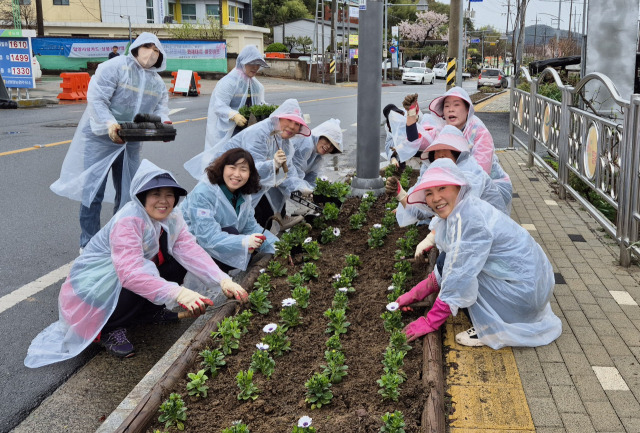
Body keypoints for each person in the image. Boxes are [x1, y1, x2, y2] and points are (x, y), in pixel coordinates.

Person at [25, 160, 248, 367]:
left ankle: (150, 313)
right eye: (156, 194)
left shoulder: (172, 216)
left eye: (169, 195)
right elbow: (130, 273)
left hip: (123, 273)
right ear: (141, 197)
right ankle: (108, 329)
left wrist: (223, 280)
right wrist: (178, 293)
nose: (164, 201)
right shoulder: (129, 219)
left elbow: (189, 249)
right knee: (134, 282)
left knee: (176, 264)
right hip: (95, 285)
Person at [394, 159, 562, 349]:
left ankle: (490, 328)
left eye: (442, 188)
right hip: (529, 290)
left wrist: (430, 321)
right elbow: (451, 262)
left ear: (458, 187)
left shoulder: (469, 218)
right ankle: (496, 316)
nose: (436, 198)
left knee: (460, 275)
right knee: (446, 260)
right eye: (429, 193)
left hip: (522, 298)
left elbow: (458, 277)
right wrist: (416, 293)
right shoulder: (462, 209)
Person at [50, 33, 171, 253]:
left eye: (156, 49)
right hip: (101, 138)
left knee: (128, 192)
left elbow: (161, 109)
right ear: (135, 47)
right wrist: (109, 124)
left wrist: (164, 124)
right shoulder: (114, 67)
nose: (151, 53)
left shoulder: (156, 83)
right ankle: (88, 243)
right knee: (93, 191)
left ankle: (119, 239)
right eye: (147, 46)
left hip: (131, 141)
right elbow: (97, 99)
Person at [186, 99, 311, 230]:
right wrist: (272, 165)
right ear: (278, 118)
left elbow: (287, 173)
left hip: (249, 183)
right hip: (228, 179)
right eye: (289, 120)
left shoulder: (285, 144)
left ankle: (253, 243)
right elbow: (252, 168)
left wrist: (301, 188)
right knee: (226, 219)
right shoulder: (260, 132)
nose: (292, 126)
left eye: (297, 124)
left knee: (255, 219)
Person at [387, 87, 512, 205]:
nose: (451, 109)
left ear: (467, 109)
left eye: (456, 105)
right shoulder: (442, 131)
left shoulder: (478, 132)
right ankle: (410, 206)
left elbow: (479, 174)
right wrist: (411, 114)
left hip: (488, 189)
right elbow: (415, 140)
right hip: (454, 187)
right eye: (447, 106)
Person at [390, 125, 510, 228]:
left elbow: (463, 209)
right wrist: (400, 194)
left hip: (491, 227)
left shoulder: (470, 171)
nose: (440, 154)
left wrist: (432, 236)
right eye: (436, 150)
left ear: (458, 152)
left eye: (447, 149)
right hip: (471, 228)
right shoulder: (439, 173)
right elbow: (422, 209)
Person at [180, 148, 279, 272]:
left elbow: (250, 227)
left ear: (250, 174)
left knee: (245, 235)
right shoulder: (203, 194)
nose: (237, 174)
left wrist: (278, 246)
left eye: (243, 170)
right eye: (232, 168)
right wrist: (244, 242)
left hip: (218, 241)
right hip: (192, 247)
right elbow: (208, 238)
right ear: (222, 168)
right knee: (233, 233)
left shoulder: (242, 194)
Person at [204, 45, 269, 152]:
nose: (255, 67)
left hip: (248, 131)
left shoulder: (256, 85)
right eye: (251, 63)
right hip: (229, 132)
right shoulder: (228, 82)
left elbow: (260, 104)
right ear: (242, 62)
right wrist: (234, 115)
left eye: (258, 64)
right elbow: (219, 105)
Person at [285, 118, 343, 196]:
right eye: (327, 140)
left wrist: (320, 189)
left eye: (332, 145)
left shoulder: (317, 155)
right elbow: (291, 172)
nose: (328, 146)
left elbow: (313, 177)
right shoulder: (306, 145)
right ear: (320, 136)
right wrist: (302, 187)